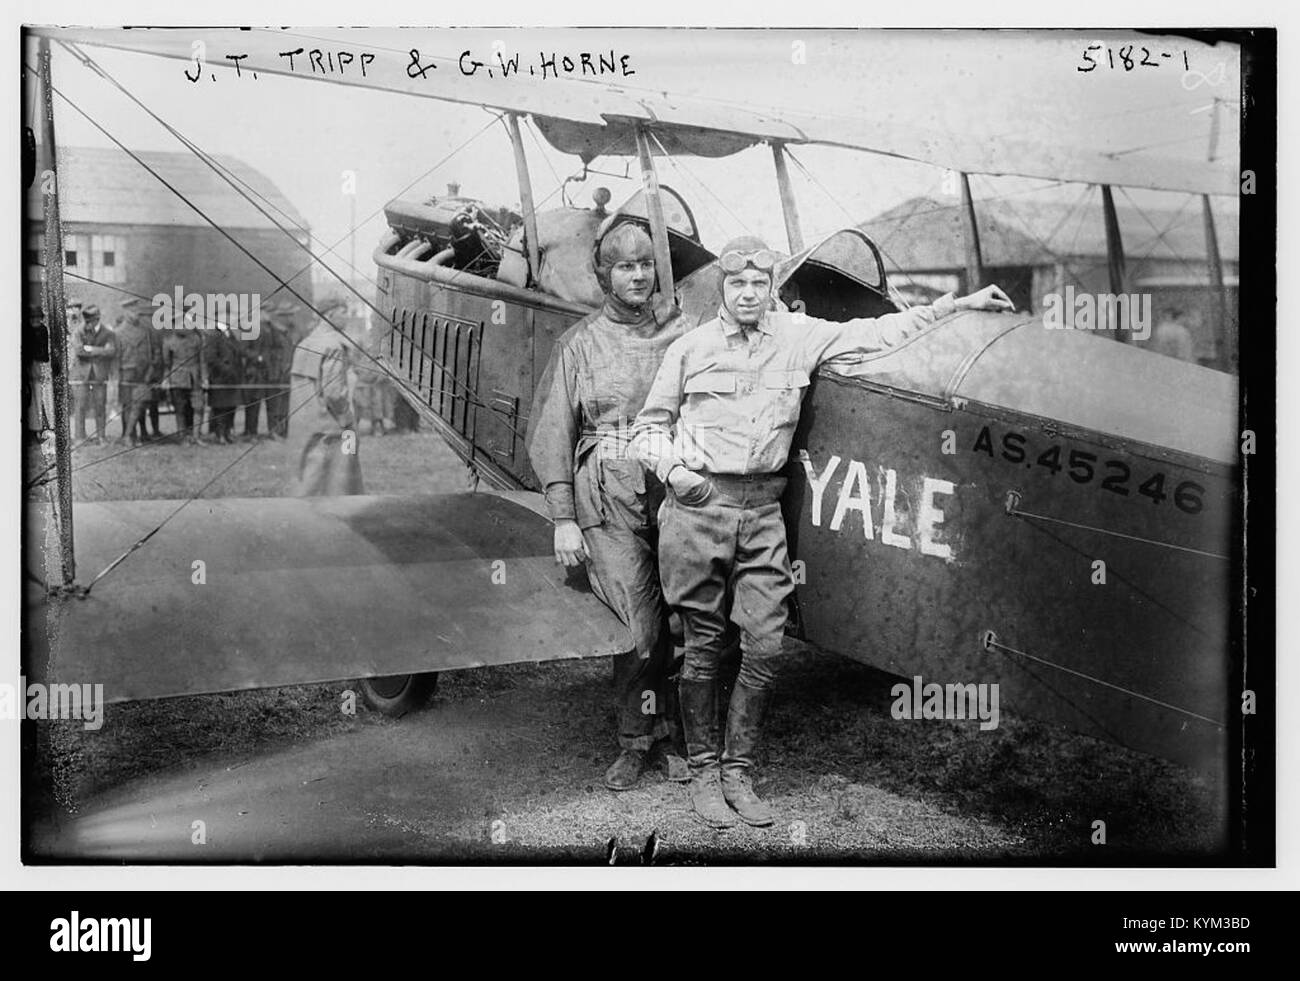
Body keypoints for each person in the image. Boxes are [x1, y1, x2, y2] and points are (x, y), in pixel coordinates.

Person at [630, 236, 1015, 828]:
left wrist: (956, 306)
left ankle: (740, 772)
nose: (751, 294)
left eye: (761, 284)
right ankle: (706, 775)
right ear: (725, 291)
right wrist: (679, 475)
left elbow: (879, 331)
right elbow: (646, 430)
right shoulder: (690, 348)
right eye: (739, 285)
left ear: (772, 289)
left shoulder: (801, 338)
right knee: (704, 649)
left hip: (762, 513)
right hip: (699, 510)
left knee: (764, 646)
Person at [525, 217, 693, 791]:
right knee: (642, 628)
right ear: (604, 275)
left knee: (681, 621)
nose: (639, 275)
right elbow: (550, 432)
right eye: (625, 266)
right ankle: (635, 740)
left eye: (647, 264)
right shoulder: (578, 344)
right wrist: (563, 518)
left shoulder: (683, 334)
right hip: (608, 494)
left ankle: (675, 736)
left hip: (673, 490)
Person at [285, 298, 363, 495]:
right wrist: (348, 420)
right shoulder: (334, 346)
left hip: (306, 422)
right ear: (329, 315)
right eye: (343, 312)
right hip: (335, 423)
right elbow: (334, 392)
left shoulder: (305, 343)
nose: (347, 316)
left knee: (309, 476)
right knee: (344, 479)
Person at [115, 297, 161, 445]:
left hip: (144, 373)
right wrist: (116, 375)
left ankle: (129, 436)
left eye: (137, 311)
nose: (136, 314)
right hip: (126, 372)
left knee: (140, 404)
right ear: (126, 312)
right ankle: (129, 435)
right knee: (128, 405)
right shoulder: (118, 333)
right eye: (133, 311)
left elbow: (154, 351)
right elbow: (115, 357)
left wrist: (151, 369)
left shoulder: (145, 330)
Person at [71, 303, 116, 444]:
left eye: (91, 321)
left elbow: (111, 351)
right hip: (81, 375)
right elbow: (78, 351)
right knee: (80, 406)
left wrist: (89, 349)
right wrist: (100, 350)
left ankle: (101, 436)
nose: (88, 324)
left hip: (99, 374)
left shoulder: (108, 333)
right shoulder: (78, 331)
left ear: (97, 319)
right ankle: (80, 437)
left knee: (100, 405)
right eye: (86, 321)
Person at [160, 310, 206, 444]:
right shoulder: (168, 342)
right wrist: (166, 379)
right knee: (180, 408)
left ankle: (196, 436)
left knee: (198, 406)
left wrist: (205, 377)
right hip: (177, 378)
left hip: (195, 377)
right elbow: (167, 364)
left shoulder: (196, 338)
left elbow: (202, 360)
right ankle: (183, 437)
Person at [204, 318, 243, 444]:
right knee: (220, 407)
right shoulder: (213, 334)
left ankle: (227, 433)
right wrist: (225, 368)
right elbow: (211, 357)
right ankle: (219, 434)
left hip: (232, 378)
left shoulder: (230, 334)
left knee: (231, 407)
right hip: (219, 377)